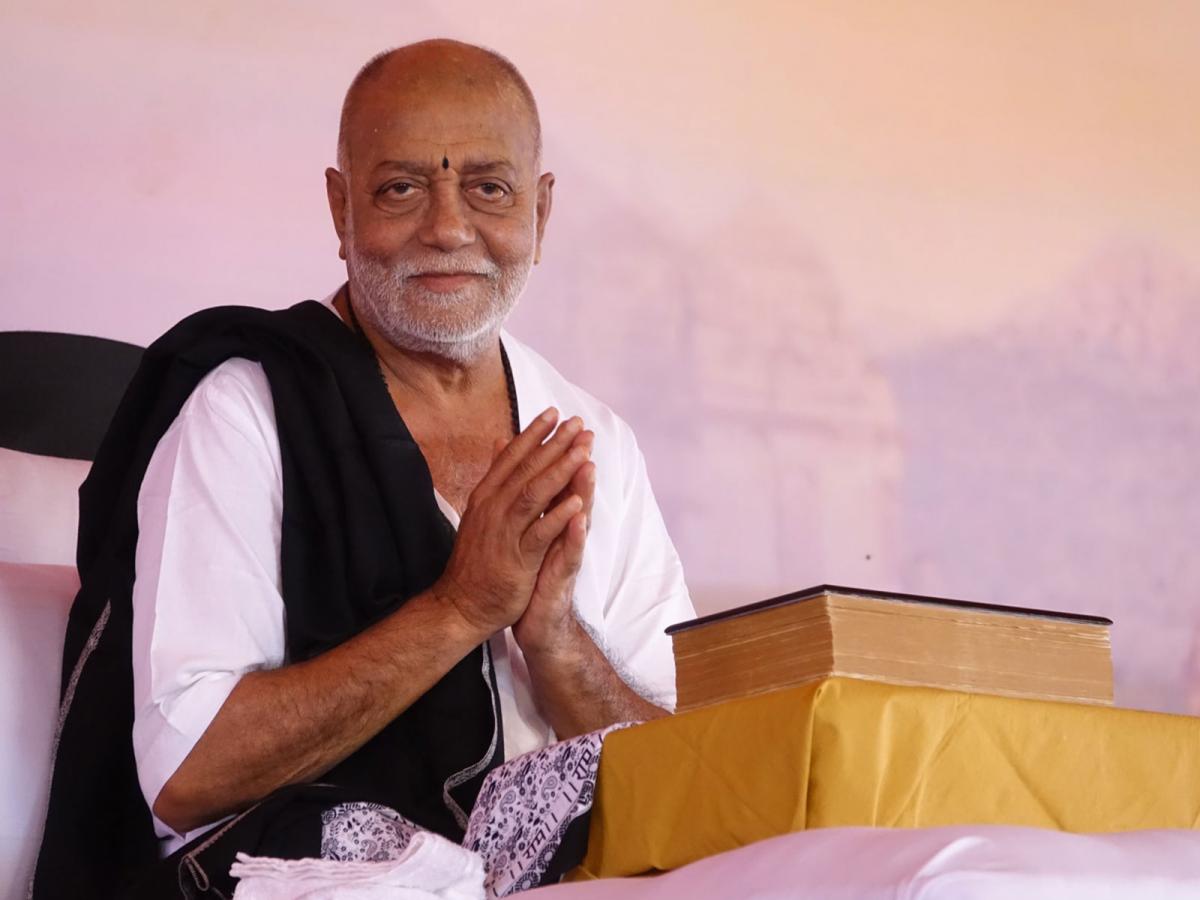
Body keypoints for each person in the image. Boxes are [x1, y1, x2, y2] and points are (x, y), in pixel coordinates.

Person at [32, 38, 693, 898]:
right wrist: (460, 608)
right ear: (341, 209)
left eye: (488, 188)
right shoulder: (247, 413)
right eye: (401, 188)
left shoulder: (590, 440)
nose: (448, 228)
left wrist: (557, 643)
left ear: (541, 210)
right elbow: (187, 774)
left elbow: (688, 773)